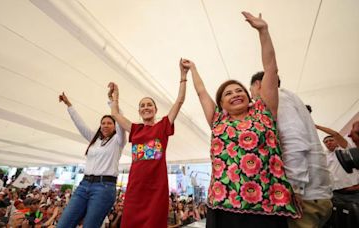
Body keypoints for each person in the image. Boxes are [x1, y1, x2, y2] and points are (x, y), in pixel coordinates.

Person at [181, 12, 300, 228]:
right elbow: (201, 92)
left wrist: (263, 32)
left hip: (267, 206)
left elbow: (271, 68)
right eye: (228, 93)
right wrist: (193, 69)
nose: (235, 94)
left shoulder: (264, 111)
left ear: (248, 95)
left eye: (239, 90)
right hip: (223, 205)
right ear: (221, 103)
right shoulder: (218, 120)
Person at [107, 58, 188, 227]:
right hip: (135, 188)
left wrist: (183, 75)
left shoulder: (163, 126)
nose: (146, 107)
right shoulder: (135, 129)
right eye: (142, 105)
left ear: (155, 109)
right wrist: (116, 96)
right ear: (139, 111)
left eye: (149, 105)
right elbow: (115, 114)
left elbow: (179, 101)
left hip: (157, 189)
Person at [250, 71, 332, 228]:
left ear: (258, 85)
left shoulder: (279, 97)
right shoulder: (289, 98)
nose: (252, 96)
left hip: (304, 197)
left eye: (251, 90)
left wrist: (294, 189)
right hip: (313, 193)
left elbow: (294, 142)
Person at [57, 92, 127, 228]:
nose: (105, 125)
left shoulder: (118, 141)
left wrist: (112, 101)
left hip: (104, 187)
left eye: (109, 123)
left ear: (114, 126)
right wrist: (69, 105)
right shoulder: (94, 140)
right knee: (63, 224)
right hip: (84, 185)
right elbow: (80, 124)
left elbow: (120, 121)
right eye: (103, 123)